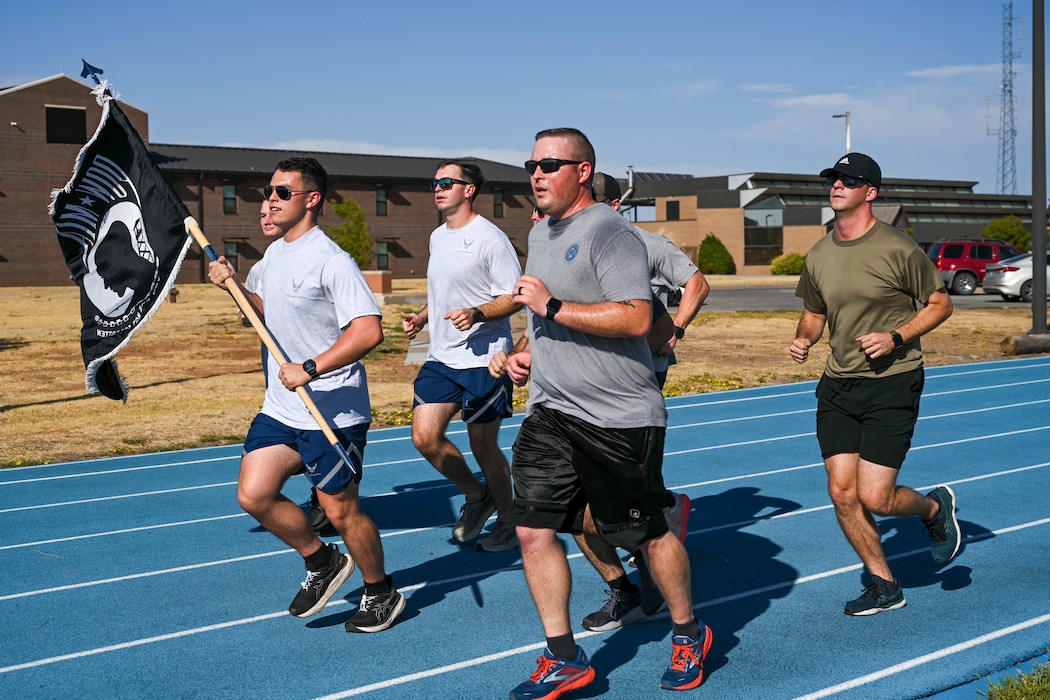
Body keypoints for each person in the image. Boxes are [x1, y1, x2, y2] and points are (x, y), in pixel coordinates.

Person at [505, 128, 712, 698]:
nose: (537, 174)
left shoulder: (611, 232)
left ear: (583, 170)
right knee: (533, 530)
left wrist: (550, 304)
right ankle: (563, 656)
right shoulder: (540, 232)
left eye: (550, 164)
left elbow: (634, 318)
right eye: (532, 164)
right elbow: (544, 317)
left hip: (618, 414)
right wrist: (522, 355)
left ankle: (688, 632)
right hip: (551, 410)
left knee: (644, 533)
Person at [208, 156, 404, 633]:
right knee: (254, 495)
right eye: (267, 193)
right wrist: (234, 287)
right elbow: (262, 312)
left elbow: (368, 331)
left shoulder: (332, 261)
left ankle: (380, 591)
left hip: (332, 410)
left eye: (281, 193)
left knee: (338, 508)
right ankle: (322, 562)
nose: (268, 202)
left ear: (311, 200)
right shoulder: (272, 255)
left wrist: (312, 368)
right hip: (281, 407)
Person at [789, 152, 961, 616]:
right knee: (841, 492)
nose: (837, 185)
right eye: (834, 179)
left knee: (875, 498)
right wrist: (804, 339)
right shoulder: (820, 252)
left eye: (849, 179)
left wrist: (897, 336)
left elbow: (940, 304)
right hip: (838, 385)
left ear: (871, 192)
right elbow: (814, 312)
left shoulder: (898, 248)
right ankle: (885, 584)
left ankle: (932, 510)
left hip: (892, 383)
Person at [571, 172, 710, 632]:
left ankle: (655, 533)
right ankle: (655, 527)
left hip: (640, 374)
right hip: (587, 383)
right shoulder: (577, 247)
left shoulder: (646, 244)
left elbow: (698, 284)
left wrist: (676, 331)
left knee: (617, 487)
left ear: (612, 205)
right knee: (578, 502)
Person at [400, 159, 522, 552]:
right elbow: (445, 292)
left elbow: (513, 297)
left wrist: (478, 313)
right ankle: (477, 495)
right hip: (442, 358)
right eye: (435, 182)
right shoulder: (438, 237)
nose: (438, 187)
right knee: (424, 437)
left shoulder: (490, 238)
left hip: (486, 359)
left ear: (468, 190)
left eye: (447, 182)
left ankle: (509, 519)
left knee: (482, 445)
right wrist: (422, 317)